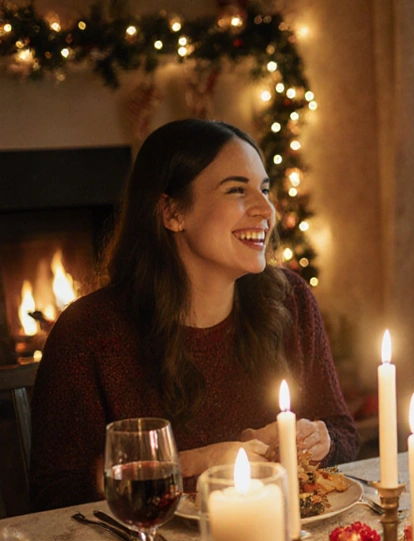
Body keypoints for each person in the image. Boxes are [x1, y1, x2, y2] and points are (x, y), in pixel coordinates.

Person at [29, 119, 357, 511]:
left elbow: (344, 433)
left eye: (265, 189)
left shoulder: (291, 300)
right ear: (172, 212)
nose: (266, 209)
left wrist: (316, 440)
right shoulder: (89, 332)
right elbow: (54, 493)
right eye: (237, 190)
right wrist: (193, 464)